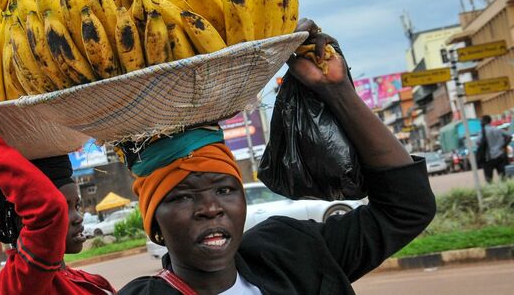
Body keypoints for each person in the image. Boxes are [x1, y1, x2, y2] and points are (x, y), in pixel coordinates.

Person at [119, 18, 437, 294]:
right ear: (153, 220)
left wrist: (336, 90)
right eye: (183, 197)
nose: (211, 208)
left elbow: (406, 209)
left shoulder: (291, 254)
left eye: (225, 189)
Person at [0, 92, 115, 295]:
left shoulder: (82, 280)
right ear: (21, 218)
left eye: (76, 206)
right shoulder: (17, 286)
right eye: (64, 206)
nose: (78, 217)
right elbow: (49, 211)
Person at [479, 115, 511, 183]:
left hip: (488, 158)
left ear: (484, 121)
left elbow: (478, 142)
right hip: (500, 155)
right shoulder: (497, 129)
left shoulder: (483, 131)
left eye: (481, 121)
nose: (480, 123)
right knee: (503, 178)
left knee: (489, 179)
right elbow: (509, 136)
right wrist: (503, 146)